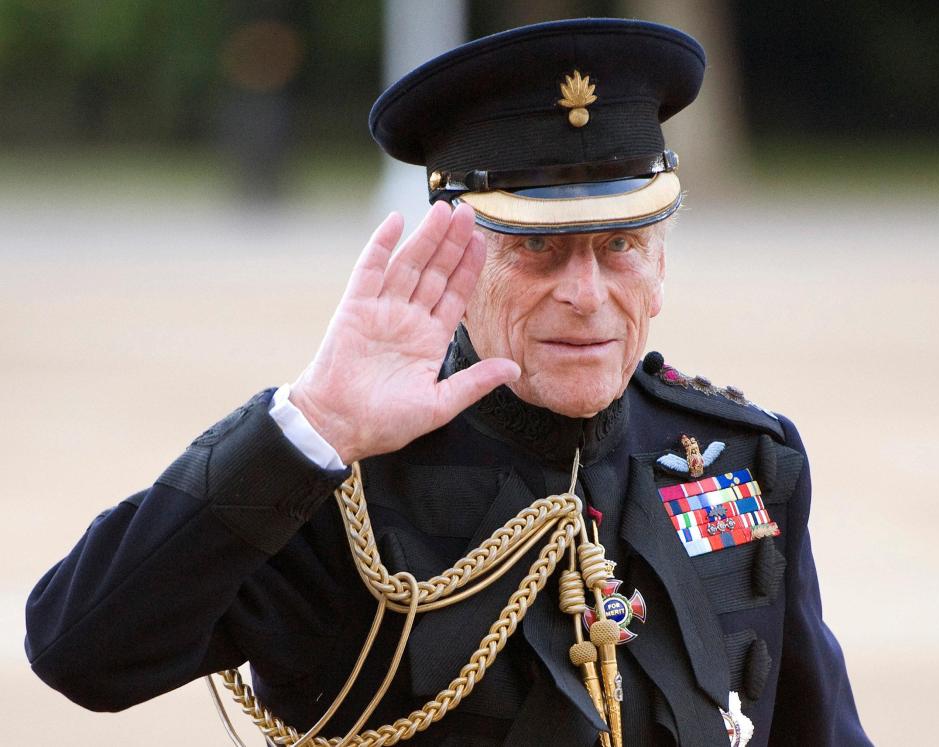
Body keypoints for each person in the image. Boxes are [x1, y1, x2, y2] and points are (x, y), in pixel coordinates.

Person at [25, 18, 871, 747]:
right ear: (457, 258)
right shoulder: (333, 479)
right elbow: (80, 649)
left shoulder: (739, 461)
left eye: (620, 244)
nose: (587, 294)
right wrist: (311, 424)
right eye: (536, 248)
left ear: (659, 261)